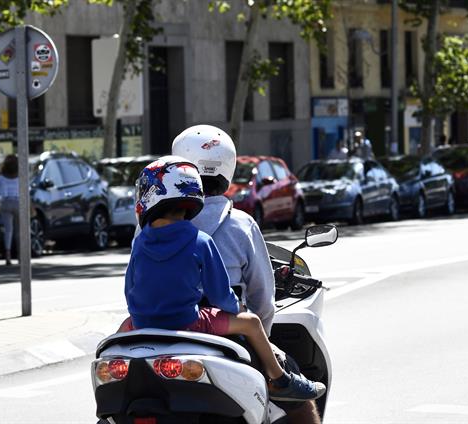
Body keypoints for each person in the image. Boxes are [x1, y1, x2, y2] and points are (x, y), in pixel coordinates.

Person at [120, 155, 326, 403]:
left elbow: (129, 291)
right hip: (190, 322)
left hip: (143, 322)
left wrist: (142, 317)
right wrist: (238, 308)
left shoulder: (140, 241)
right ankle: (280, 379)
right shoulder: (200, 240)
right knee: (251, 323)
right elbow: (220, 294)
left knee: (117, 338)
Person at [172, 125, 323, 423]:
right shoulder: (240, 224)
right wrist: (262, 340)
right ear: (228, 168)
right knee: (301, 404)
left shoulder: (151, 223)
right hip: (220, 334)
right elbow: (262, 300)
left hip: (157, 330)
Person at [0, 154, 19, 266]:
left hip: (6, 203)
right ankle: (20, 255)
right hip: (18, 202)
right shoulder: (20, 176)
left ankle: (8, 255)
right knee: (20, 231)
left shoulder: (1, 177)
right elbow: (26, 189)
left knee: (8, 230)